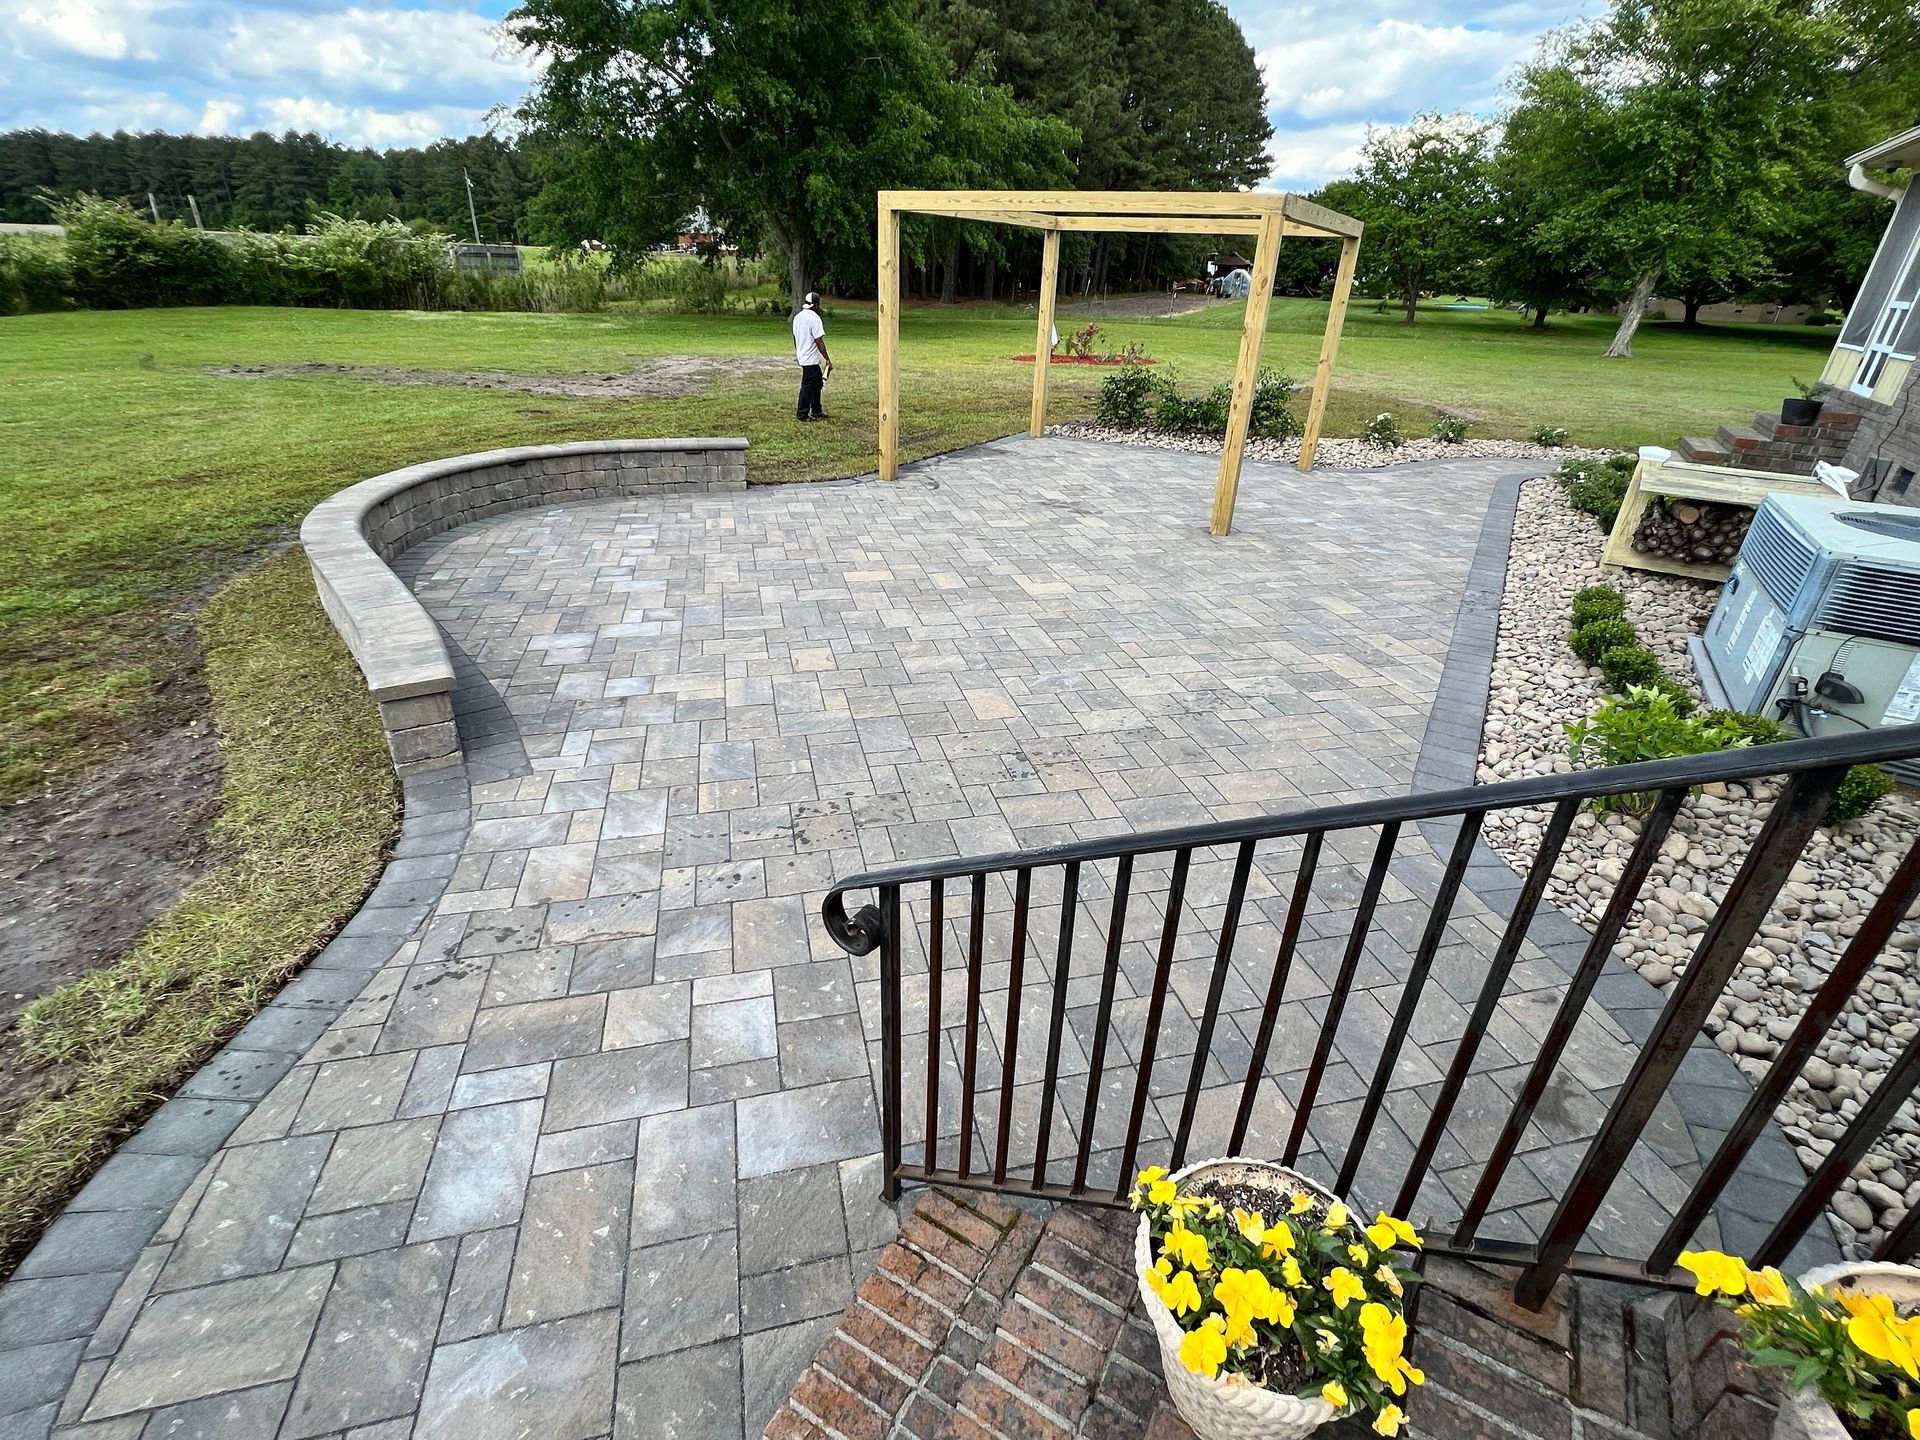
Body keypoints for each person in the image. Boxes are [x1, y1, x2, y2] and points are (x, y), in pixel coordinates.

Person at [792, 291, 832, 421]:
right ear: (815, 305)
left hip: (803, 356)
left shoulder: (798, 317)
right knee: (808, 385)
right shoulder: (814, 319)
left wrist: (799, 351)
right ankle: (802, 414)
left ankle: (816, 410)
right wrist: (827, 359)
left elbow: (795, 337)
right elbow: (819, 341)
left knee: (817, 382)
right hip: (810, 358)